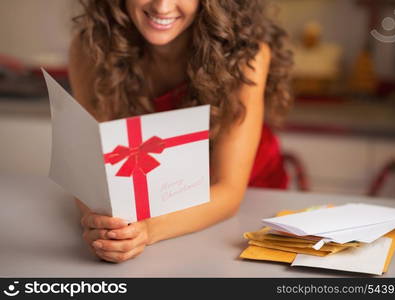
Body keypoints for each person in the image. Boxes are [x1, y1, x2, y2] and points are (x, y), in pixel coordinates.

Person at [69, 0, 292, 263]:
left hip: (250, 198)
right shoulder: (91, 49)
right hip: (155, 199)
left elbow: (229, 191)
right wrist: (102, 223)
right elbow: (96, 168)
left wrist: (146, 231)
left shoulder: (246, 56)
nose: (162, 7)